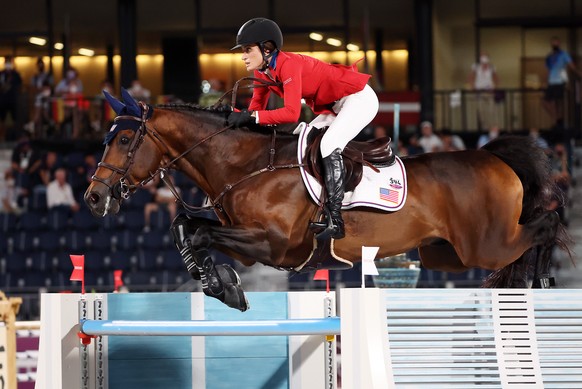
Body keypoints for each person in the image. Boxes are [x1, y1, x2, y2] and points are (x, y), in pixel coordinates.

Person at [228, 18, 378, 239]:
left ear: (267, 48)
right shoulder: (262, 71)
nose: (243, 56)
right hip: (334, 107)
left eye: (248, 49)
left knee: (328, 144)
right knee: (301, 139)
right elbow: (256, 110)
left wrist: (251, 117)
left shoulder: (288, 64)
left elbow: (291, 113)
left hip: (359, 99)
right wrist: (239, 119)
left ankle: (335, 219)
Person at [541, 36, 580, 129]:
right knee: (545, 102)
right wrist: (545, 81)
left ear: (559, 43)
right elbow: (548, 71)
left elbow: (572, 67)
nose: (555, 44)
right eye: (553, 42)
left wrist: (579, 73)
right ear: (551, 44)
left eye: (556, 42)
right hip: (551, 82)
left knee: (559, 103)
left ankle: (559, 121)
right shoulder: (549, 57)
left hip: (560, 81)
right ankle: (556, 119)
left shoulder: (564, 54)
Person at [468, 52, 499, 130]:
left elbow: (496, 77)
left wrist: (495, 87)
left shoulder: (492, 67)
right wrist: (472, 86)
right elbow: (471, 76)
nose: (484, 65)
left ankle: (493, 126)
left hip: (489, 90)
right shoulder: (476, 67)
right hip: (479, 90)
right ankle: (484, 126)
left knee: (491, 110)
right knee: (481, 110)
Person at [0, 56, 23, 141]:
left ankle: (14, 136)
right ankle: (2, 137)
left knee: (14, 120)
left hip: (13, 100)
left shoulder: (15, 74)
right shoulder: (1, 74)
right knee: (2, 120)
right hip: (3, 101)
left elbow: (20, 86)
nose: (8, 64)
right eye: (7, 62)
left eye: (9, 62)